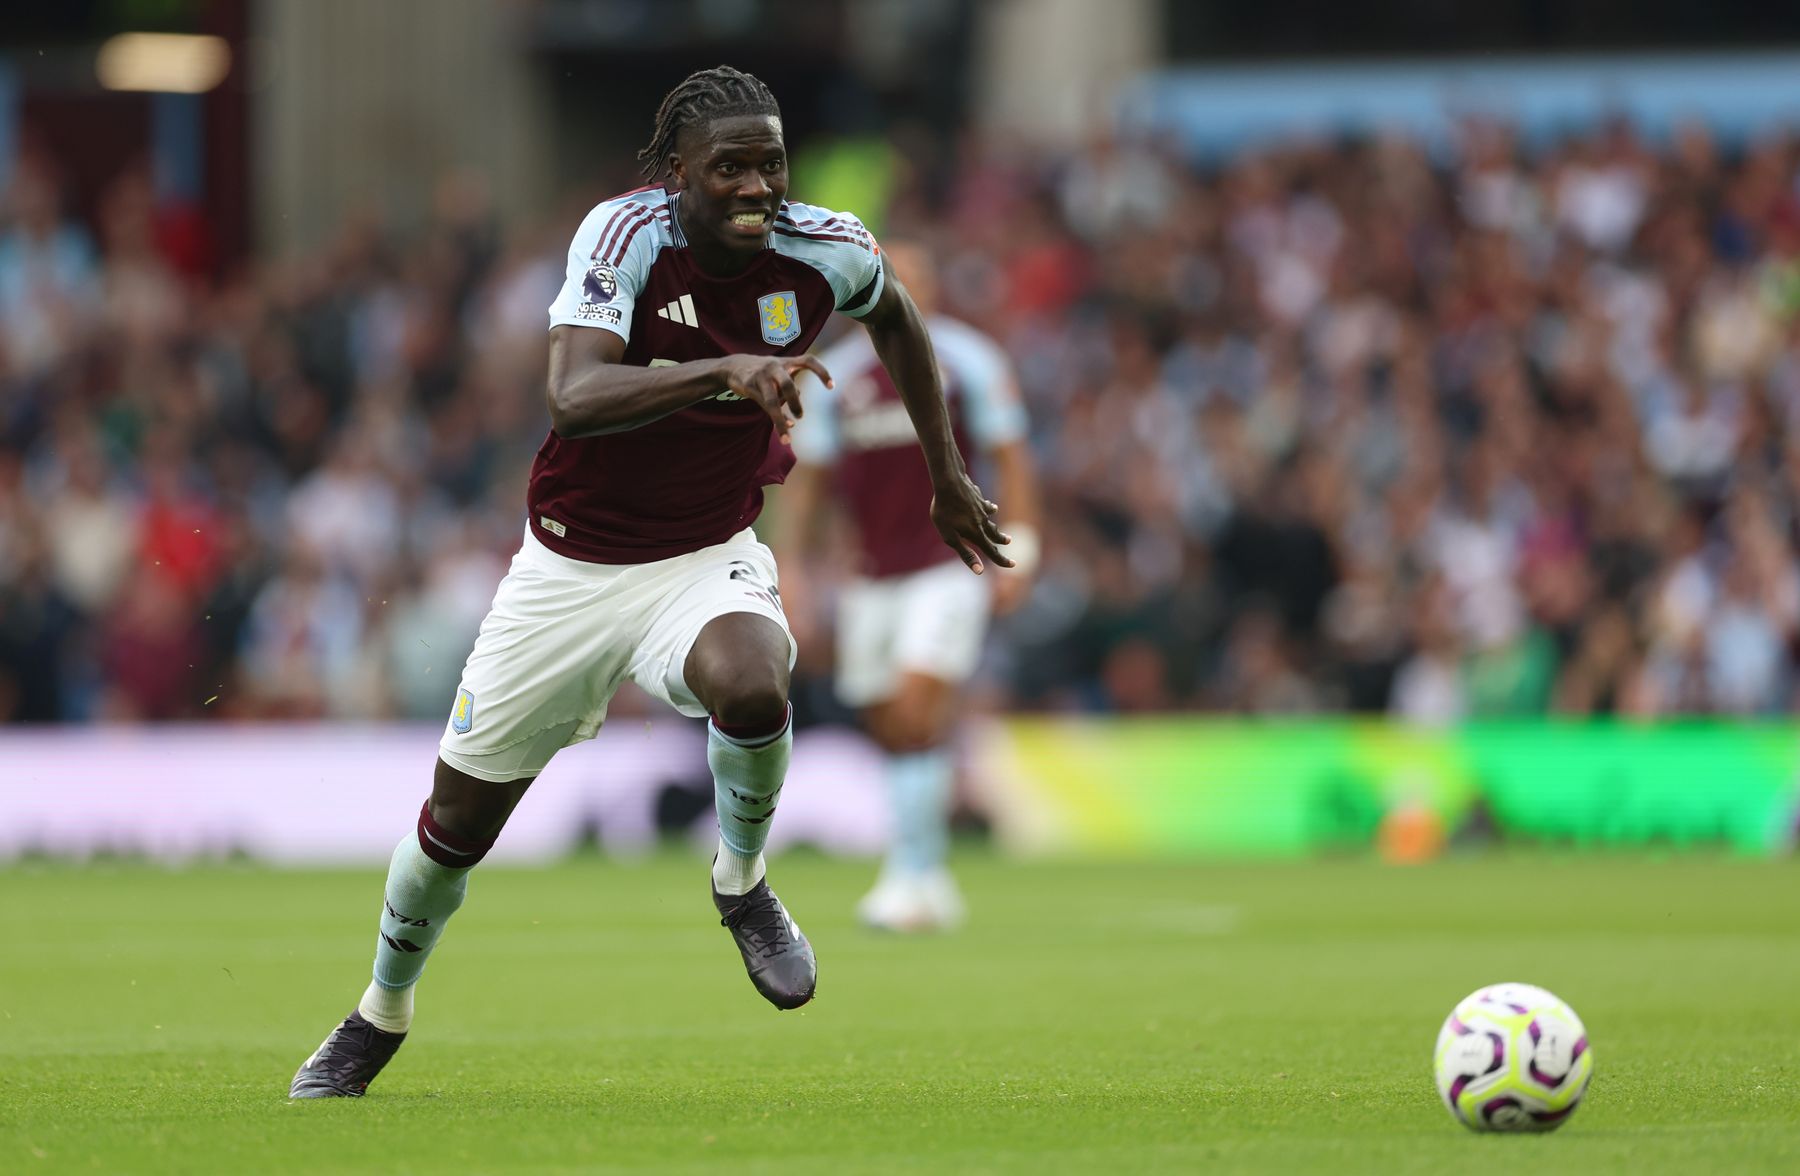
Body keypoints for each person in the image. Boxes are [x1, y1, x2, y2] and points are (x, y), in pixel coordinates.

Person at [289, 66, 1013, 1098]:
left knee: (757, 678)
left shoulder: (828, 246)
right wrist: (724, 368)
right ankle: (379, 1012)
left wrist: (949, 476)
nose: (757, 183)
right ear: (678, 174)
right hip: (570, 570)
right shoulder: (624, 237)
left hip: (702, 557)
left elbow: (896, 317)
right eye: (729, 167)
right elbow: (574, 395)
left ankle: (743, 883)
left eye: (771, 161)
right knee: (452, 833)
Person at [779, 240, 1041, 931]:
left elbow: (1012, 456)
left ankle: (907, 872)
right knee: (891, 723)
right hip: (871, 577)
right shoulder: (834, 377)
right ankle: (930, 871)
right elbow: (810, 485)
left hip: (950, 564)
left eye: (915, 276)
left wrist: (1024, 544)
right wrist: (792, 570)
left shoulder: (970, 360)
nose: (903, 289)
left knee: (916, 702)